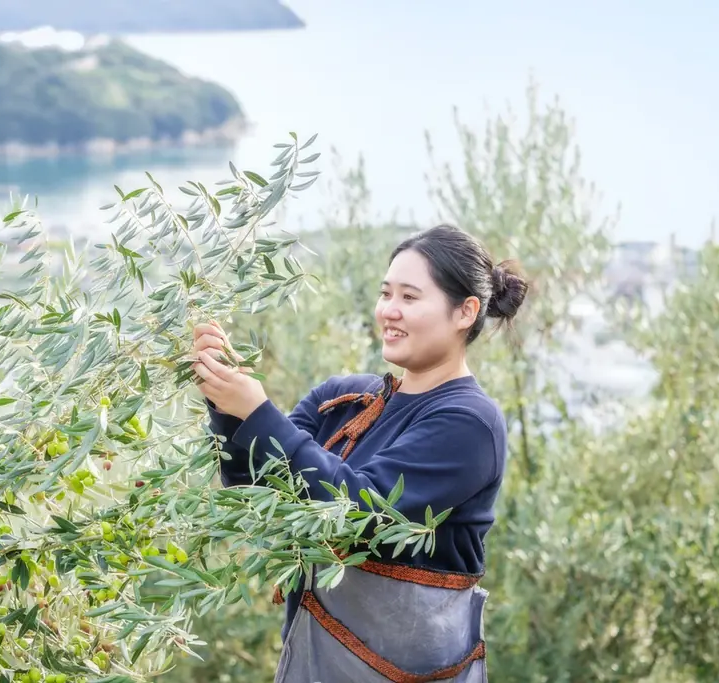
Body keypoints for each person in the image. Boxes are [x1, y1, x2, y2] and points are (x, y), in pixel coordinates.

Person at [191, 224, 528, 683]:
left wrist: (259, 412)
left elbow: (359, 511)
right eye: (385, 293)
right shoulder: (343, 400)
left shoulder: (469, 423)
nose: (389, 310)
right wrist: (227, 405)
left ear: (465, 311)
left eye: (410, 298)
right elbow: (252, 487)